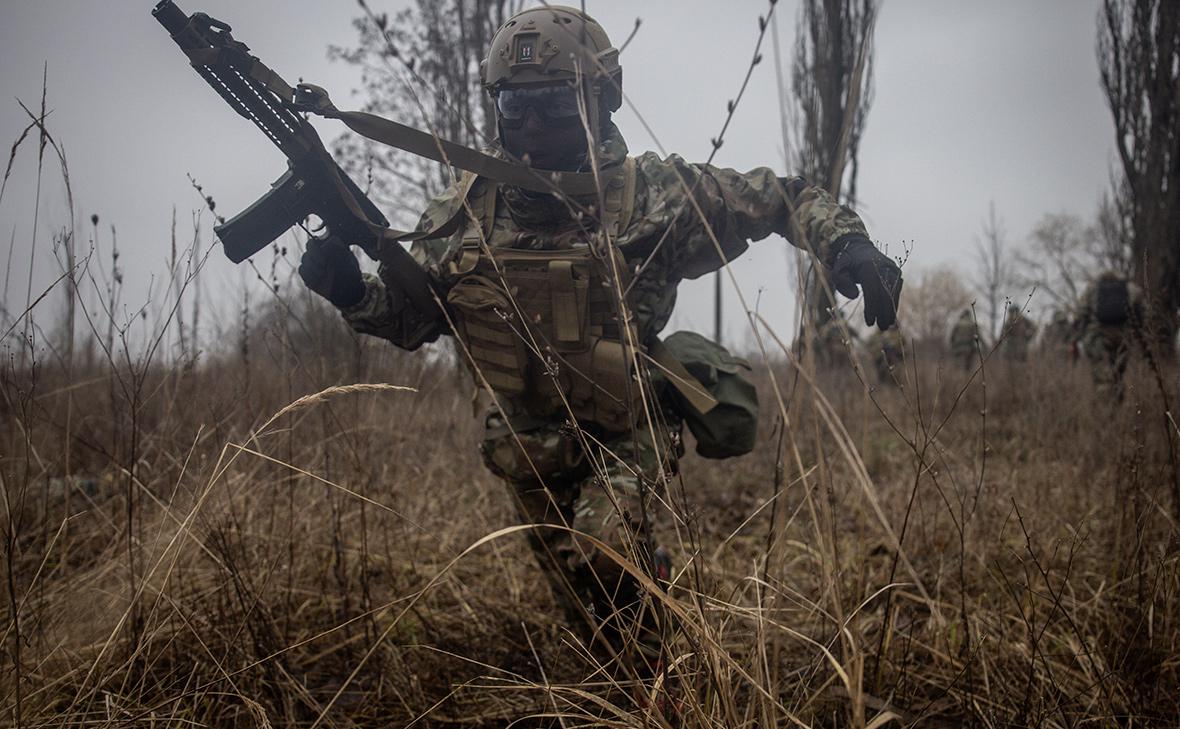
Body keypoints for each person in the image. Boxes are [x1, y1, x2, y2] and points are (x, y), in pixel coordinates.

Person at [297, 5, 901, 671]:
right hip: (524, 445)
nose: (530, 127)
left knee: (606, 554)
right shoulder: (464, 209)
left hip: (625, 426)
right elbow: (423, 317)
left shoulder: (652, 196)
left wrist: (845, 242)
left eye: (554, 106)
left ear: (600, 99)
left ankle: (663, 681)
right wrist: (352, 294)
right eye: (514, 107)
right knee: (591, 613)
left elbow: (778, 197)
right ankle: (631, 650)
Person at [1074, 271, 1144, 396]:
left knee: (1103, 376)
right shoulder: (1131, 289)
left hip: (1098, 337)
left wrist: (1079, 337)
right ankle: (1118, 405)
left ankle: (1106, 411)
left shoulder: (1092, 288)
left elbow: (1080, 314)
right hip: (1123, 338)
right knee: (1118, 374)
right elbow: (1143, 313)